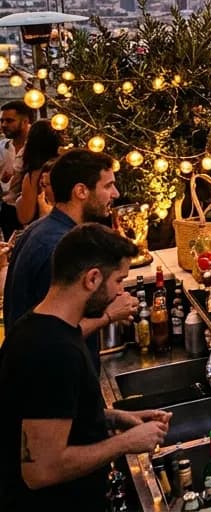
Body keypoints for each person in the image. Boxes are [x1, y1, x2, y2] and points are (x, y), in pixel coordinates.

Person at [0, 224, 171, 510]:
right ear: (92, 279)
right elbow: (40, 470)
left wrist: (112, 418)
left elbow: (48, 412)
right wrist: (126, 442)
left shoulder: (39, 326)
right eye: (118, 281)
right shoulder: (53, 351)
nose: (120, 293)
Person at [3, 149, 134, 370]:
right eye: (108, 185)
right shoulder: (58, 247)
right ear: (81, 191)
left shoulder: (39, 229)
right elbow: (50, 336)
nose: (116, 194)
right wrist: (109, 316)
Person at [16, 119, 61, 227]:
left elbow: (25, 216)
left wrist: (19, 200)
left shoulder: (35, 175)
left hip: (45, 230)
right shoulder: (67, 167)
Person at [0, 100, 35, 237]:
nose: (3, 125)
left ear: (25, 122)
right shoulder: (2, 148)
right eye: (2, 121)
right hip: (8, 210)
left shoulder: (36, 148)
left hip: (32, 209)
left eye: (9, 121)